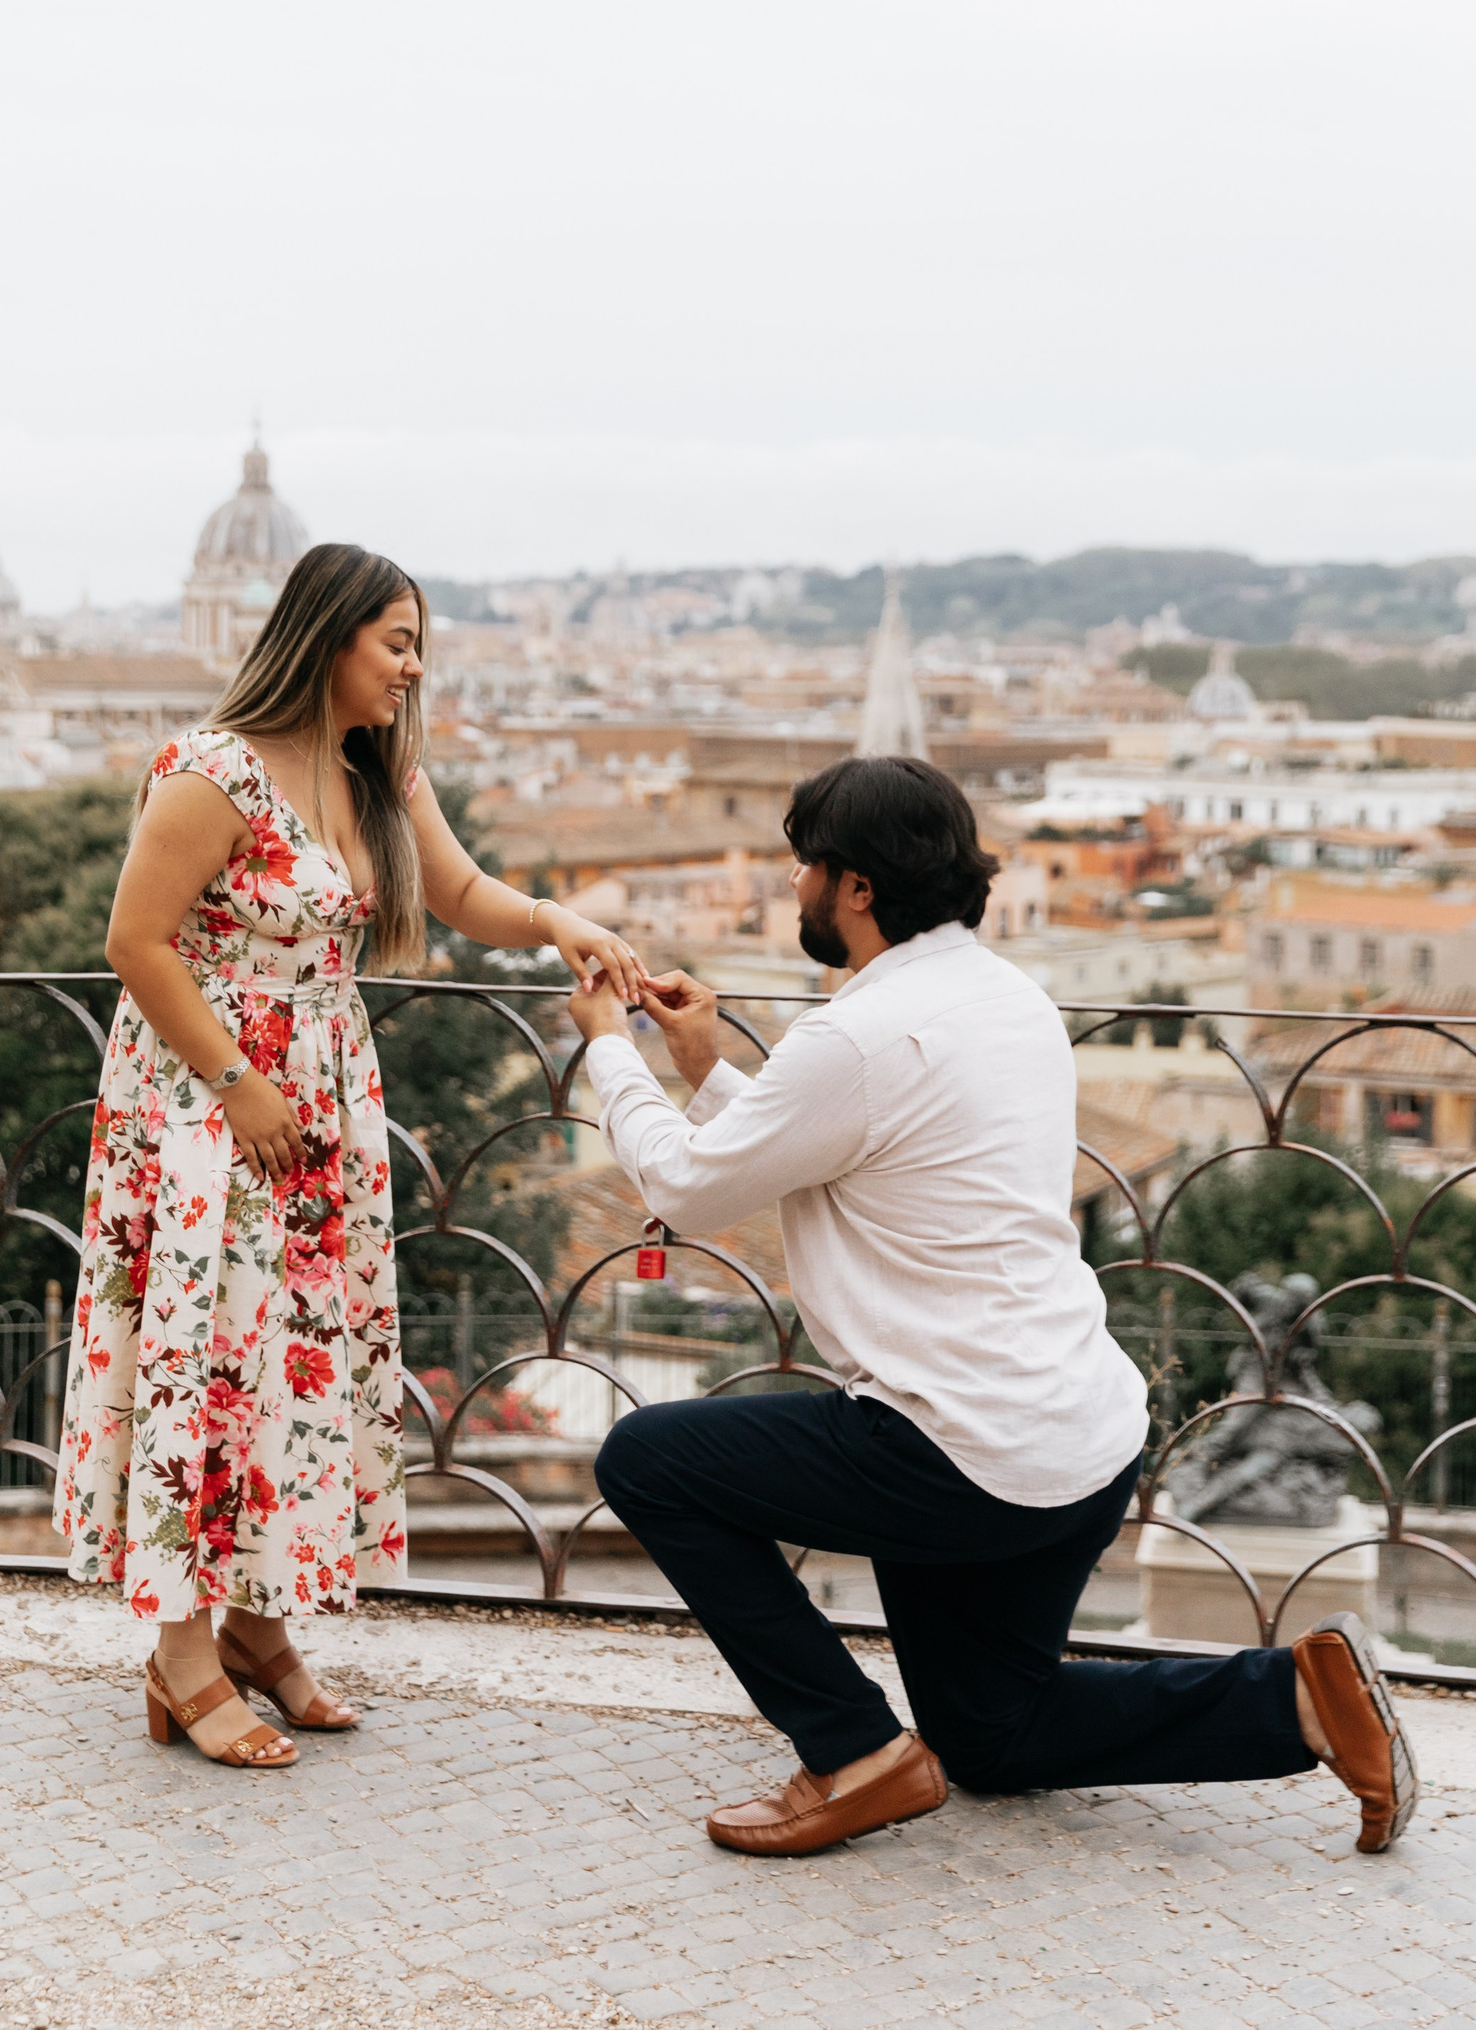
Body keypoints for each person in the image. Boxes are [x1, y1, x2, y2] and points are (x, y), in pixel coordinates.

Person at [567, 754, 1417, 1858]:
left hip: (956, 1450)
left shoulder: (855, 1035)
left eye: (805, 863)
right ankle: (1303, 1698)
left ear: (857, 885)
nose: (792, 884)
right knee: (991, 1734)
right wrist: (707, 1070)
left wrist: (608, 1047)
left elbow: (688, 1187)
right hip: (1080, 1436)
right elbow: (852, 1150)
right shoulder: (1011, 997)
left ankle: (852, 1751)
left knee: (649, 1460)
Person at [57, 540, 647, 1768]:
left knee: (294, 1358)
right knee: (209, 1357)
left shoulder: (377, 767)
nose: (413, 666)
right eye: (398, 642)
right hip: (211, 1098)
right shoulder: (211, 771)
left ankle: (260, 1627)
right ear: (327, 638)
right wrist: (239, 1086)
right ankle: (179, 1656)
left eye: (417, 643)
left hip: (323, 1092)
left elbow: (464, 892)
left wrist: (562, 925)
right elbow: (136, 943)